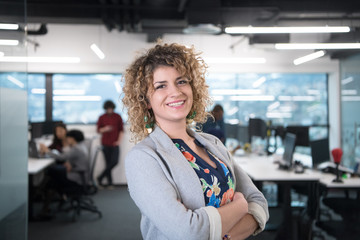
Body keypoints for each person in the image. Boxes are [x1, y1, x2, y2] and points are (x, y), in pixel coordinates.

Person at [122, 42, 269, 240]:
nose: (175, 92)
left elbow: (258, 202)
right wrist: (240, 206)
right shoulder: (143, 158)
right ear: (146, 101)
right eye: (161, 86)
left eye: (181, 81)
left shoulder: (213, 144)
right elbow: (188, 232)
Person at [39, 129, 89, 218]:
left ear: (73, 139)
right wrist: (69, 163)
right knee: (52, 177)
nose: (67, 140)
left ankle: (45, 205)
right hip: (81, 176)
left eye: (68, 138)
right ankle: (47, 205)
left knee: (51, 176)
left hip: (78, 178)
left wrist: (47, 151)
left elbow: (61, 158)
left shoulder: (76, 149)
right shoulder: (81, 146)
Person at [96, 100, 124, 187]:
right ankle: (110, 183)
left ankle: (100, 177)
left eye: (111, 108)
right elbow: (98, 130)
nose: (109, 110)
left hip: (115, 143)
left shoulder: (117, 116)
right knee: (108, 163)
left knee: (114, 162)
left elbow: (121, 130)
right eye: (108, 109)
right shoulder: (102, 117)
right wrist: (105, 129)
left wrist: (118, 141)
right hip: (105, 143)